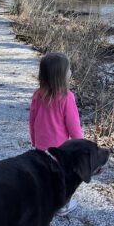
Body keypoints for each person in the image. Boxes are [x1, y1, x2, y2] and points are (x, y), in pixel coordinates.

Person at [29, 52, 83, 216]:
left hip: (40, 146)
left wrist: (34, 140)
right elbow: (74, 127)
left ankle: (41, 200)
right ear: (61, 75)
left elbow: (32, 120)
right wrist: (81, 147)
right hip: (60, 151)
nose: (70, 72)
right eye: (68, 70)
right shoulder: (67, 98)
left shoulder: (38, 95)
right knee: (62, 178)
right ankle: (62, 205)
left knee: (43, 174)